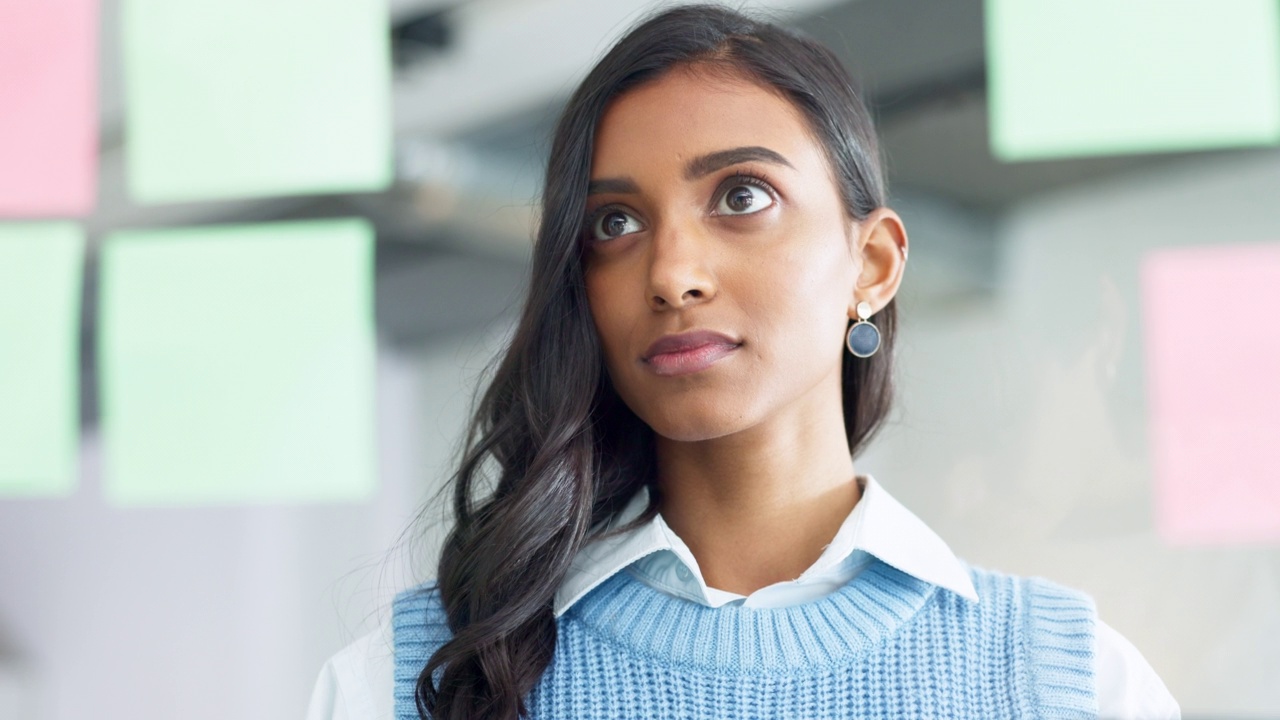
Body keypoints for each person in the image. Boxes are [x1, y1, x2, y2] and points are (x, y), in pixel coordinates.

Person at [306, 5, 1181, 719]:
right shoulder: (422, 677)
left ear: (871, 265)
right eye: (615, 222)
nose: (672, 274)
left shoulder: (1068, 683)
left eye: (742, 196)